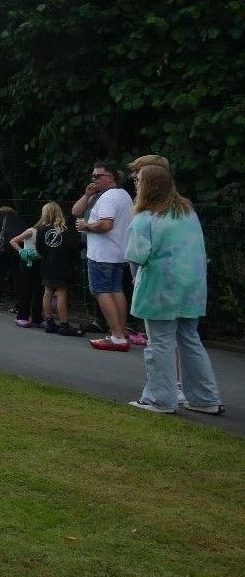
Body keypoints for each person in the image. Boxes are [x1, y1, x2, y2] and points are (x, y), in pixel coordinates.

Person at [122, 166, 223, 415]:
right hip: (191, 288)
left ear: (147, 187)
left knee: (160, 344)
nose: (136, 185)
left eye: (139, 182)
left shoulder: (144, 219)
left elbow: (136, 256)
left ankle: (160, 399)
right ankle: (205, 397)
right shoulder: (187, 213)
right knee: (190, 341)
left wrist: (137, 278)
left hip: (160, 289)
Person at [74, 163, 135, 351]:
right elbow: (76, 211)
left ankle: (116, 336)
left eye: (97, 176)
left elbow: (106, 225)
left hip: (102, 254)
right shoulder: (123, 195)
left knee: (101, 291)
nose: (93, 180)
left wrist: (87, 226)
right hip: (119, 252)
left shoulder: (108, 198)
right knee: (116, 290)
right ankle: (120, 332)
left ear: (110, 177)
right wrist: (88, 194)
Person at [11, 202, 83, 336]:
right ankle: (64, 324)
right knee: (61, 293)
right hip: (61, 265)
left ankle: (49, 322)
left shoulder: (42, 229)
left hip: (46, 265)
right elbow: (73, 247)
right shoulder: (65, 229)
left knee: (47, 292)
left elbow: (39, 247)